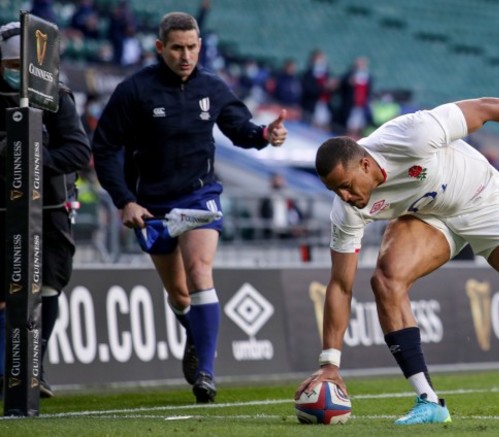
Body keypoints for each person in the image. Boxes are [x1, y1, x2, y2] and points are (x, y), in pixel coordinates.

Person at [295, 97, 499, 425]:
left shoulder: (412, 134)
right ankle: (429, 400)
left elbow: (486, 108)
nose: (345, 197)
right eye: (336, 191)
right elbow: (340, 285)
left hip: (482, 199)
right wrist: (330, 363)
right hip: (429, 215)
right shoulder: (347, 211)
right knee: (386, 280)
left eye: (347, 186)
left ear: (365, 165)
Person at [92, 12, 287, 403]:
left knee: (200, 271)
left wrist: (265, 134)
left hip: (199, 196)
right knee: (180, 294)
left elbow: (241, 130)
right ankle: (194, 335)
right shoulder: (134, 90)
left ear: (200, 45)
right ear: (160, 47)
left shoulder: (213, 87)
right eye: (177, 48)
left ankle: (206, 373)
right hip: (152, 206)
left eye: (192, 47)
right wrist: (125, 200)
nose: (186, 56)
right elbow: (105, 147)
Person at [0, 22, 92, 398]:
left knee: (49, 286)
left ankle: (31, 367)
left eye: (23, 64)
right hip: (3, 208)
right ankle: (10, 371)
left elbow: (79, 152)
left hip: (49, 207)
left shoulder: (58, 96)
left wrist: (30, 158)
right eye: (9, 62)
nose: (16, 70)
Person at [259, 172, 305, 239]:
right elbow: (263, 215)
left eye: (280, 180)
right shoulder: (267, 199)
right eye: (276, 180)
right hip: (272, 232)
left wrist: (296, 226)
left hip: (287, 231)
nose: (278, 182)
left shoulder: (288, 199)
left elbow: (298, 214)